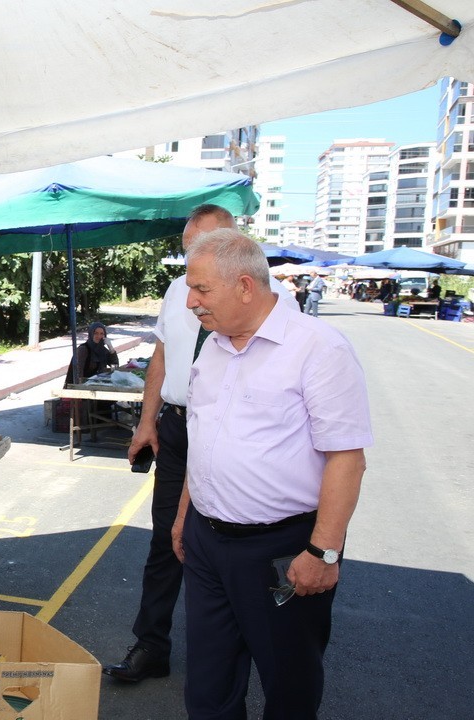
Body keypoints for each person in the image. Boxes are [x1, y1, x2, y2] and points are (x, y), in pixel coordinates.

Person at [174, 229, 372, 718]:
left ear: (245, 285)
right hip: (206, 540)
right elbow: (204, 439)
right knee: (208, 680)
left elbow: (347, 457)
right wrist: (184, 517)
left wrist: (322, 550)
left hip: (280, 548)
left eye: (201, 290)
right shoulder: (214, 346)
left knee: (289, 681)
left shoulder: (318, 348)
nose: (190, 303)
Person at [105, 205, 298, 683]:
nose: (193, 265)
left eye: (204, 251)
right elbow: (163, 354)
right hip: (176, 426)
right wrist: (146, 421)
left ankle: (244, 654)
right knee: (166, 539)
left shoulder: (278, 300)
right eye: (189, 251)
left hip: (235, 431)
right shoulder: (178, 291)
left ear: (235, 250)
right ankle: (152, 645)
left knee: (231, 543)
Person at [64, 320, 119, 386]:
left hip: (97, 385)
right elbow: (78, 375)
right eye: (96, 333)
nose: (99, 336)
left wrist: (111, 347)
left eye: (102, 334)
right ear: (91, 334)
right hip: (80, 388)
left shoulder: (102, 350)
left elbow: (115, 366)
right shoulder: (83, 349)